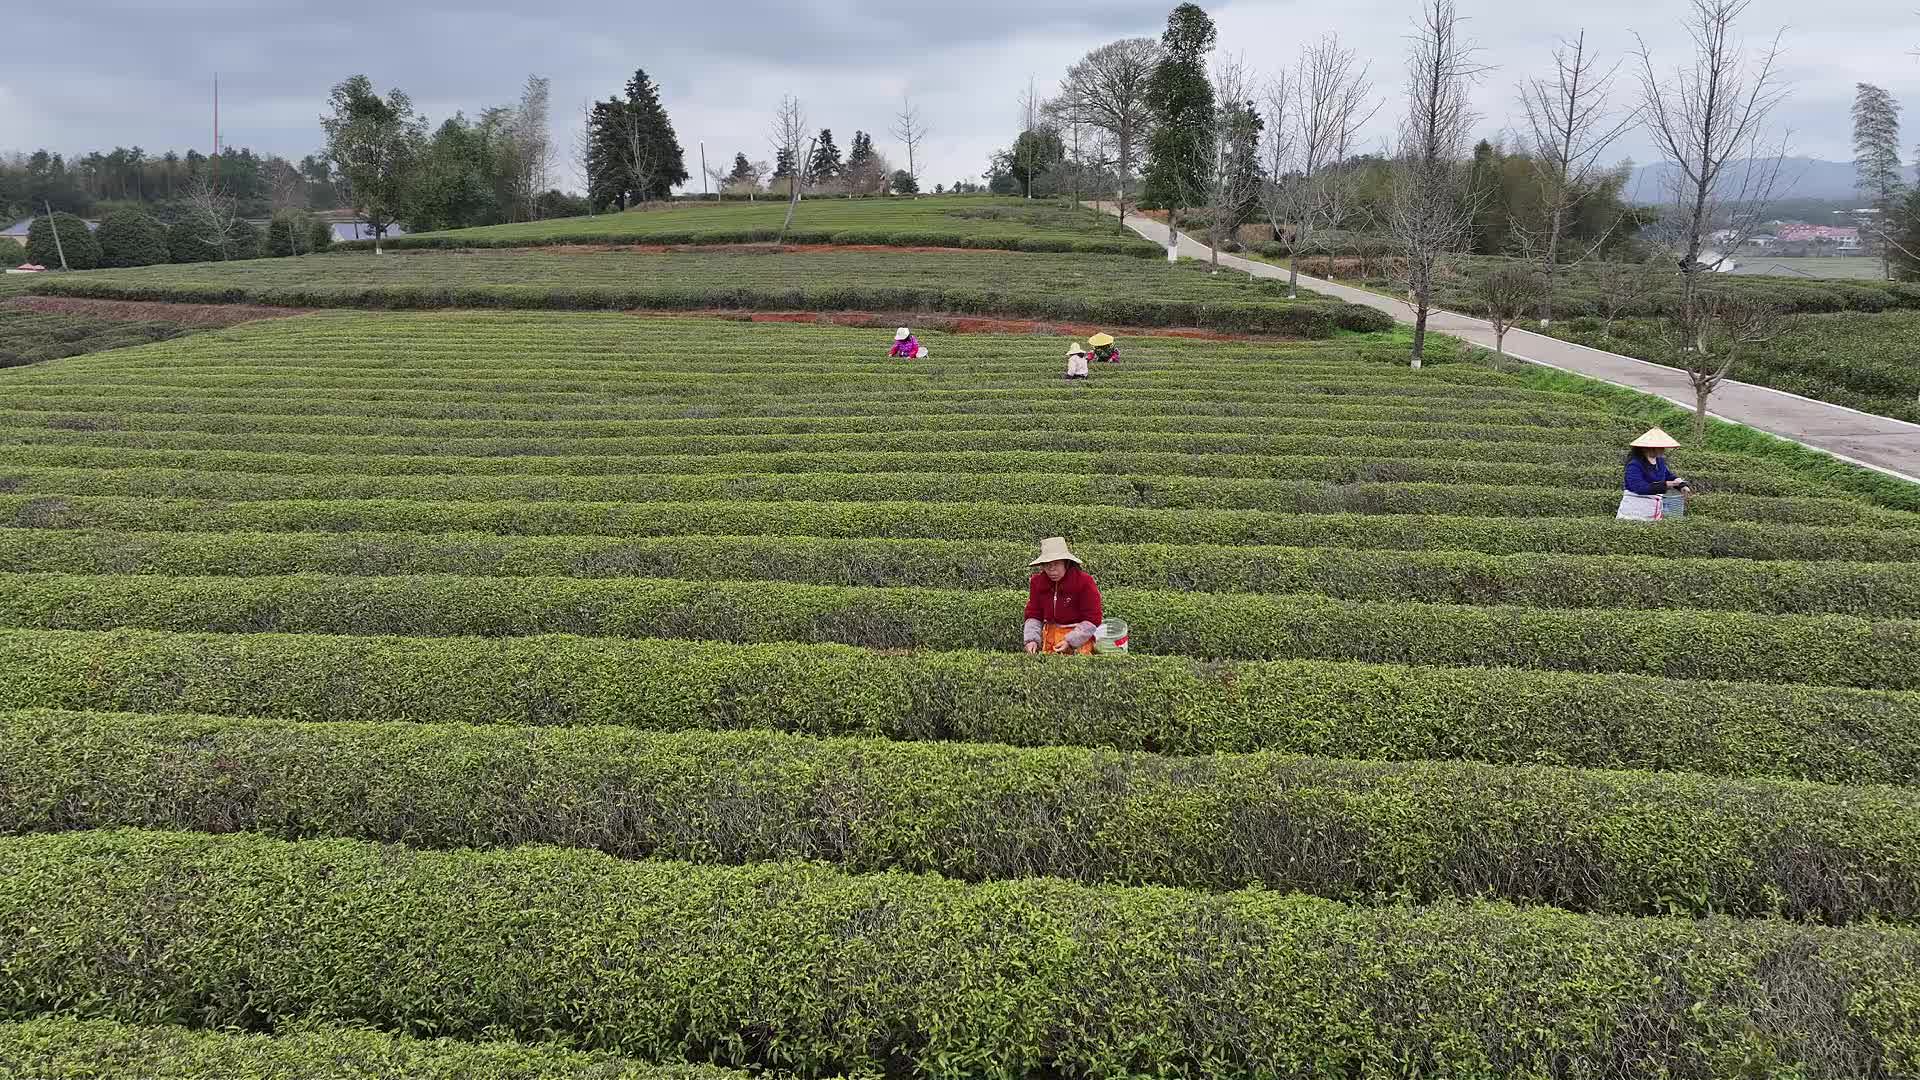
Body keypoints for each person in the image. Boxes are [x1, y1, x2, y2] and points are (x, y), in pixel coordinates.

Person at [1023, 536, 1102, 655]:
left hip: (1079, 637)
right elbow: (1034, 614)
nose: (1052, 570)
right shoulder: (1037, 582)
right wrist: (1031, 640)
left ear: (1066, 563)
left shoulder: (1084, 582)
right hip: (1050, 637)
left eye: (1056, 564)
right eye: (1047, 565)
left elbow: (1092, 618)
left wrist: (1070, 641)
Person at [1616, 427, 1693, 520]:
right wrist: (1666, 485)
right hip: (1634, 510)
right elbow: (1639, 487)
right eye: (1659, 447)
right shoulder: (1634, 464)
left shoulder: (1659, 461)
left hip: (1653, 509)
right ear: (1647, 448)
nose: (1663, 449)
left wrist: (1681, 485)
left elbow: (1668, 475)